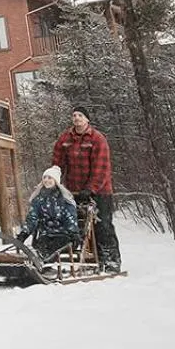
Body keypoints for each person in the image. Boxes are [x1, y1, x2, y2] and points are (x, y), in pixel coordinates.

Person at [52, 106, 119, 270]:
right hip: (74, 191)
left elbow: (101, 168)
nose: (76, 118)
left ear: (87, 119)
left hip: (100, 191)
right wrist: (53, 181)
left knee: (102, 226)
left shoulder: (97, 139)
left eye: (80, 115)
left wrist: (91, 188)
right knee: (77, 225)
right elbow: (57, 163)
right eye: (74, 115)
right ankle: (88, 258)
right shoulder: (65, 139)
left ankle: (110, 260)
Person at [17, 166, 79, 259]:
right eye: (44, 177)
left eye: (50, 178)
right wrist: (24, 233)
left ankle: (43, 261)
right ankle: (38, 261)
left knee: (52, 248)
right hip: (46, 235)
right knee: (40, 247)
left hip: (64, 236)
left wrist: (73, 233)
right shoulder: (39, 199)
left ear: (56, 181)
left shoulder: (64, 199)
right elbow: (32, 218)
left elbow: (70, 217)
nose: (46, 180)